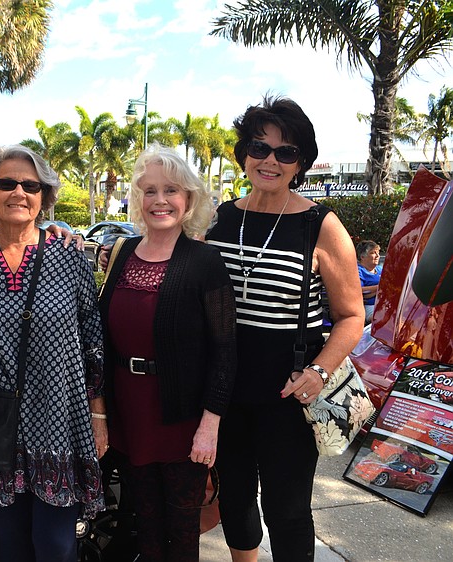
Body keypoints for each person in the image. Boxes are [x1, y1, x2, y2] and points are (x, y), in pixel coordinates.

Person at [205, 96, 364, 561]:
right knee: (233, 498)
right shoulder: (218, 218)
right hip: (224, 390)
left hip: (290, 392)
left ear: (301, 163)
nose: (270, 160)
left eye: (286, 152)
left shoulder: (320, 225)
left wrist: (318, 371)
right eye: (260, 147)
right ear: (244, 153)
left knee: (287, 508)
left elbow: (352, 316)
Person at [0, 145, 106, 562]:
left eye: (31, 185)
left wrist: (99, 417)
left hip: (58, 422)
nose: (19, 192)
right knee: (7, 546)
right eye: (7, 183)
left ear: (44, 197)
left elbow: (93, 342)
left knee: (57, 546)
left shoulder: (69, 257)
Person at [98, 145, 237, 561]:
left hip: (182, 417)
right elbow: (102, 337)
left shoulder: (204, 261)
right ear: (137, 199)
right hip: (131, 412)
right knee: (144, 521)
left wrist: (209, 425)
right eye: (150, 190)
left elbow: (225, 351)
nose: (160, 200)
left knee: (182, 528)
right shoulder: (121, 253)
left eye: (171, 190)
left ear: (189, 199)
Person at [356, 240, 382, 324]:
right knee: (380, 321)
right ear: (362, 256)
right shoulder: (358, 270)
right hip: (369, 306)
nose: (378, 256)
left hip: (384, 304)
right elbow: (360, 292)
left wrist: (373, 291)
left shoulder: (380, 269)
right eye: (373, 253)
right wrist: (380, 287)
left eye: (378, 252)